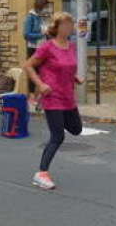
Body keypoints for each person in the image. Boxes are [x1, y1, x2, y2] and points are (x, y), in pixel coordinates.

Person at [23, 12, 84, 190]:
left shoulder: (71, 46)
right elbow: (28, 66)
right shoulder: (47, 47)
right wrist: (40, 84)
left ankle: (57, 121)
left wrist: (74, 78)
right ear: (57, 27)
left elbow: (67, 67)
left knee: (77, 129)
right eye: (66, 24)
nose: (69, 27)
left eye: (70, 24)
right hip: (52, 96)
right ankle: (42, 173)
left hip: (68, 96)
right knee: (58, 136)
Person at [23, 0, 49, 101]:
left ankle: (39, 95)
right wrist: (41, 34)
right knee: (33, 71)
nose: (46, 9)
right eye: (45, 6)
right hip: (34, 47)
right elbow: (26, 34)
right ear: (40, 6)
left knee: (43, 71)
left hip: (43, 47)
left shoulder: (42, 17)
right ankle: (32, 95)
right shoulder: (30, 17)